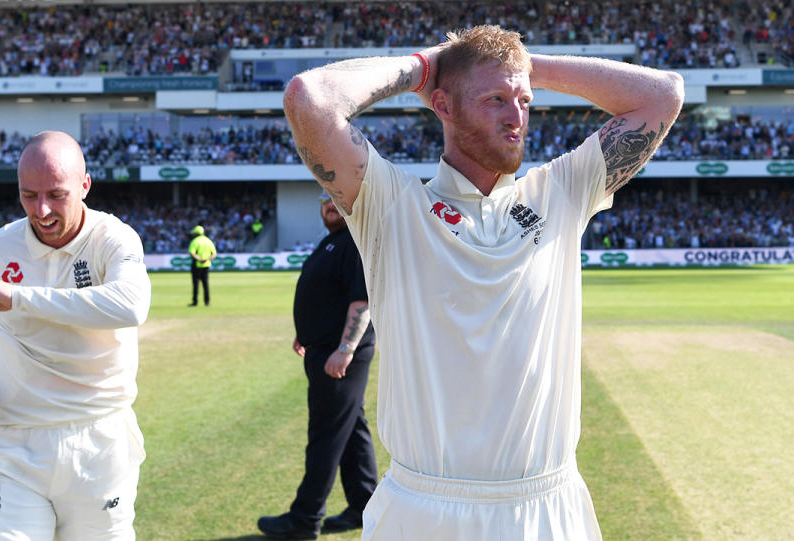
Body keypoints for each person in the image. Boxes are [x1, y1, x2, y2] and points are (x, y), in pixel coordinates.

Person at [282, 25, 684, 540]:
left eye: (524, 100)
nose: (517, 116)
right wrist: (428, 67)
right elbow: (308, 98)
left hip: (545, 509)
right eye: (495, 99)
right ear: (443, 106)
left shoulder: (561, 191)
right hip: (423, 511)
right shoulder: (391, 205)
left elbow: (664, 95)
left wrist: (518, 65)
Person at [0, 130, 151, 539]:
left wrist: (17, 297)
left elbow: (130, 306)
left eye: (56, 194)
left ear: (85, 185)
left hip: (99, 444)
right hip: (12, 445)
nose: (42, 209)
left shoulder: (113, 239)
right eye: (28, 195)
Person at [258, 192, 377, 539]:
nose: (328, 203)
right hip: (324, 349)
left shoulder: (354, 241)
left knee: (325, 434)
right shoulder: (334, 242)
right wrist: (305, 334)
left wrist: (344, 349)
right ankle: (363, 506)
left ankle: (304, 519)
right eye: (324, 198)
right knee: (352, 431)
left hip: (339, 356)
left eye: (335, 198)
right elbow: (326, 296)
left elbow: (361, 300)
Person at [188, 224, 217, 306]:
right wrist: (207, 260)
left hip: (196, 265)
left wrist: (200, 260)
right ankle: (207, 302)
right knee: (206, 284)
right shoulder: (208, 241)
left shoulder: (195, 241)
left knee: (196, 284)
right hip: (206, 265)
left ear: (196, 233)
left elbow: (192, 253)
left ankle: (195, 302)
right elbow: (214, 254)